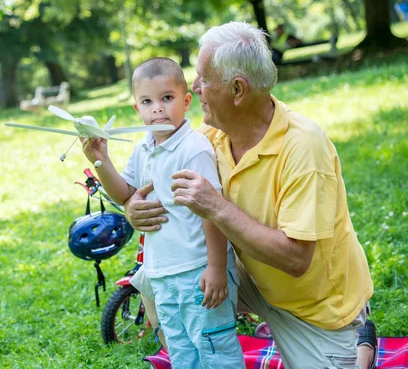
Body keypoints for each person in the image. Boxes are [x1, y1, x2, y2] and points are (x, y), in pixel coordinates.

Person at [125, 22, 376, 369]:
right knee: (152, 280)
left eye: (203, 79)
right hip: (247, 272)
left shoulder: (303, 147)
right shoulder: (211, 135)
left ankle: (362, 341)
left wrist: (217, 208)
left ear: (238, 91)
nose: (194, 88)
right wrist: (131, 208)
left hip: (313, 306)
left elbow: (296, 260)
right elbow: (154, 185)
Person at [80, 57, 244, 368]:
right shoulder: (143, 148)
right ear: (137, 109)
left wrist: (217, 267)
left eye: (166, 98)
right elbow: (126, 193)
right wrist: (100, 159)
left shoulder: (193, 149)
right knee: (181, 352)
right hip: (162, 274)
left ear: (185, 102)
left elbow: (212, 211)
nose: (157, 108)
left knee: (215, 350)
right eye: (147, 101)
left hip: (198, 272)